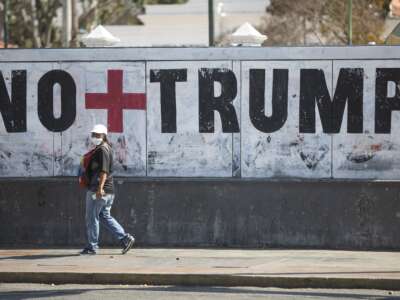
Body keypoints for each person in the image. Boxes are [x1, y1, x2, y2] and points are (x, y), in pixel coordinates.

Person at [80, 124, 135, 255]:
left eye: (97, 135)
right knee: (103, 216)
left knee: (92, 217)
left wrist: (99, 189)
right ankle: (125, 238)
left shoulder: (102, 150)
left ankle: (92, 247)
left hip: (99, 190)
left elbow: (104, 171)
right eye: (93, 135)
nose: (94, 137)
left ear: (104, 136)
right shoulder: (106, 148)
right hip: (108, 191)